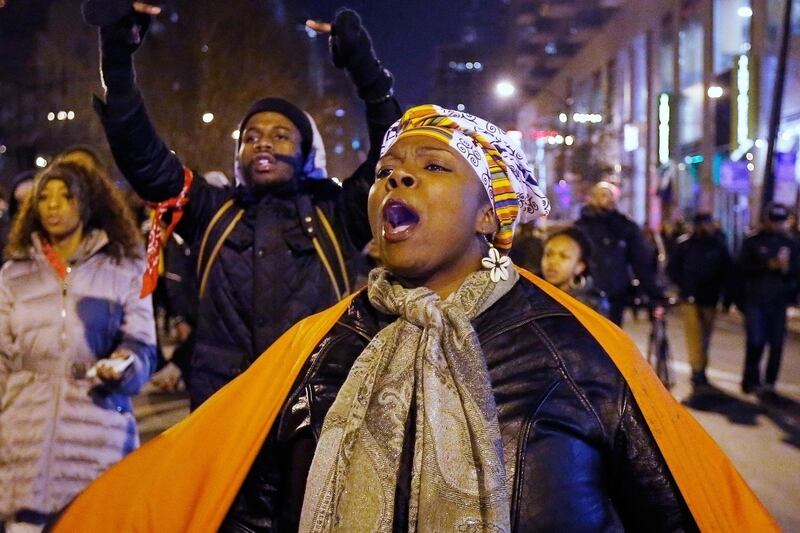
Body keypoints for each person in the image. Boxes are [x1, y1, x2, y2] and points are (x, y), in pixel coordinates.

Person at [53, 105, 776, 533]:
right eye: (389, 168)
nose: (396, 176)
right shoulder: (317, 347)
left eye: (432, 166)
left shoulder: (581, 351)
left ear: (491, 213)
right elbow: (244, 511)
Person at [88, 1, 402, 408]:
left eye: (281, 135)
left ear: (306, 153)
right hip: (222, 405)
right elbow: (142, 157)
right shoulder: (211, 209)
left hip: (312, 408)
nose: (263, 142)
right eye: (251, 136)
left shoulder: (336, 212)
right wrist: (116, 60)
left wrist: (368, 73)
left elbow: (392, 151)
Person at [0, 160, 156, 530]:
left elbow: (143, 344)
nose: (53, 205)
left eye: (65, 196)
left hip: (97, 431)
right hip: (23, 434)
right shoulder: (14, 273)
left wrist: (124, 365)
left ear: (87, 203)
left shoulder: (124, 268)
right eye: (45, 197)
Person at [575, 181, 665, 325]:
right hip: (587, 295)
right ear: (592, 199)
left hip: (616, 295)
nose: (609, 200)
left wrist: (654, 294)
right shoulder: (580, 228)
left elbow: (640, 262)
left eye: (611, 196)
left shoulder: (624, 227)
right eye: (603, 195)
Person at [737, 202, 800, 395]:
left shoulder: (790, 243)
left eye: (780, 221)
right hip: (756, 299)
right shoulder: (753, 242)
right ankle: (750, 379)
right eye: (774, 220)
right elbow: (742, 270)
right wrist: (767, 266)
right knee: (755, 341)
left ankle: (770, 382)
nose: (777, 225)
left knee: (776, 343)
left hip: (778, 301)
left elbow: (796, 273)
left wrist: (786, 270)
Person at [667, 212, 732, 391]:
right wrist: (683, 286)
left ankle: (701, 367)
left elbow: (727, 273)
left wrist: (726, 299)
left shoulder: (718, 246)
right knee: (694, 335)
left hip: (710, 297)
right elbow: (672, 269)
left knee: (705, 336)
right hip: (690, 297)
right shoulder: (684, 245)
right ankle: (697, 370)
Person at [541, 226, 610, 316]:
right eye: (548, 254)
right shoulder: (528, 292)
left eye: (563, 256)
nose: (553, 262)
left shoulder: (591, 305)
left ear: (579, 267)